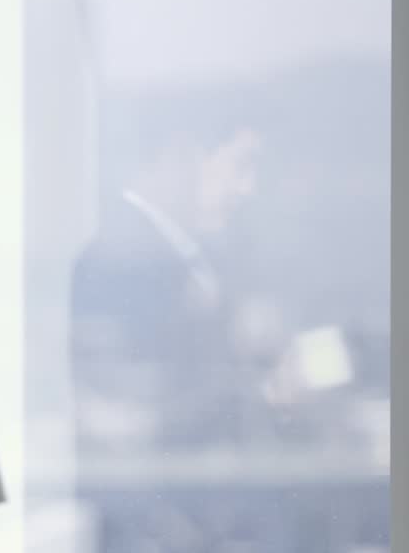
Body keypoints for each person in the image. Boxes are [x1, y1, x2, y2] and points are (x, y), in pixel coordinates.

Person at [70, 91, 262, 552]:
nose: (247, 188)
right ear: (181, 157)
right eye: (240, 165)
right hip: (153, 524)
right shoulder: (121, 260)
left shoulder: (186, 258)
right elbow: (121, 412)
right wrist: (247, 385)